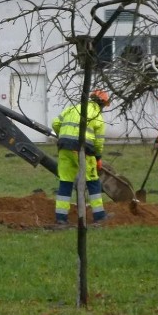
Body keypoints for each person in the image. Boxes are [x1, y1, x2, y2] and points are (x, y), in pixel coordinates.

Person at [51, 90, 110, 228]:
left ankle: (61, 218)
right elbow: (99, 142)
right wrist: (98, 157)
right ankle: (99, 216)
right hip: (83, 150)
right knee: (93, 181)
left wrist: (64, 135)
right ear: (101, 104)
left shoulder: (73, 107)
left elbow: (55, 123)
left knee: (65, 181)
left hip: (64, 147)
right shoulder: (97, 115)